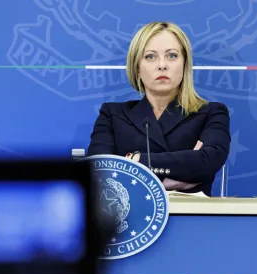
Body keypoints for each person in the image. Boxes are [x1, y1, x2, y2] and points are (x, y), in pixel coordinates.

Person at [87, 21, 231, 196]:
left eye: (171, 56)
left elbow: (208, 161)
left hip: (192, 219)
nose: (162, 65)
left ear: (185, 65)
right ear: (137, 68)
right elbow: (101, 171)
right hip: (129, 218)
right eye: (150, 57)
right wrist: (183, 172)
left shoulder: (211, 113)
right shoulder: (112, 115)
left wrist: (136, 160)